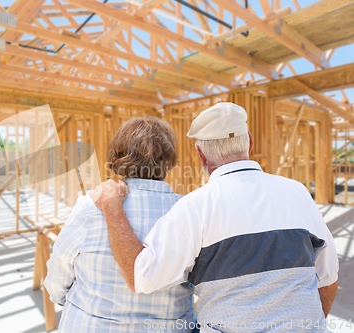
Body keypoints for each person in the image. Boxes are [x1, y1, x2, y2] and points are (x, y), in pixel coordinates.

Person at [90, 103, 339, 333]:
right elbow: (327, 281)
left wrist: (113, 207)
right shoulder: (297, 192)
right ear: (249, 143)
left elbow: (140, 277)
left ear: (200, 154)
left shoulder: (193, 207)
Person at [45, 117, 196, 332]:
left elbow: (58, 277)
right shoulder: (190, 212)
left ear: (118, 155)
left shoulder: (91, 207)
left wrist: (72, 304)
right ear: (170, 159)